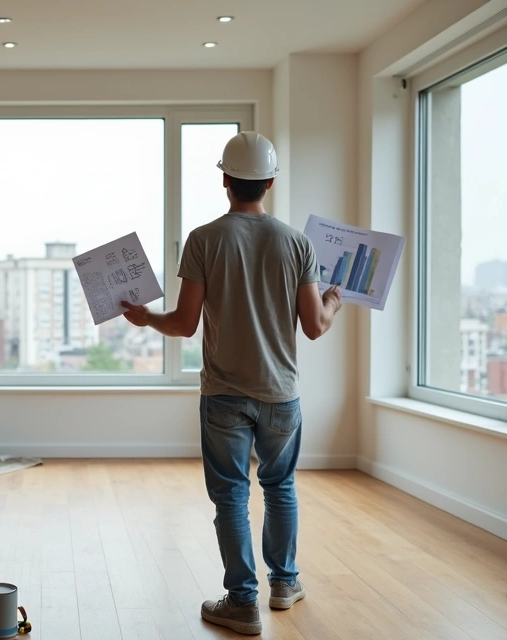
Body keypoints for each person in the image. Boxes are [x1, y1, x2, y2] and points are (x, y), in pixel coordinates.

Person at [121, 131, 342, 635]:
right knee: (280, 487)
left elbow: (183, 324)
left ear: (226, 180)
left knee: (231, 497)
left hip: (223, 394)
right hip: (281, 393)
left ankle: (242, 602)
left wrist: (146, 318)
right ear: (269, 182)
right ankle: (285, 585)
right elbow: (314, 326)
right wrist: (333, 301)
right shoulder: (297, 242)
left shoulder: (204, 239)